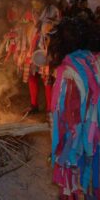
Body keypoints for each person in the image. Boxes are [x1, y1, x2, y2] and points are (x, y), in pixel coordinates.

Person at [48, 18, 100, 199]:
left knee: (77, 186)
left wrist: (61, 148)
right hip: (95, 141)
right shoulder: (93, 59)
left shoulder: (68, 72)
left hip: (80, 146)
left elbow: (68, 120)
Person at [19, 0, 60, 116]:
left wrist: (43, 25)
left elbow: (55, 28)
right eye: (33, 1)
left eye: (37, 1)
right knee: (32, 75)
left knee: (47, 79)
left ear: (44, 0)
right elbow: (22, 25)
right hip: (32, 48)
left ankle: (50, 109)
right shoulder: (31, 11)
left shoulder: (53, 11)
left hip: (46, 49)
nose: (34, 3)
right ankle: (34, 105)